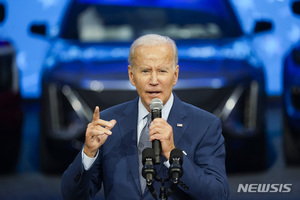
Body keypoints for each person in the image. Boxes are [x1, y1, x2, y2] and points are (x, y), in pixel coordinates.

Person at [61, 34, 229, 200]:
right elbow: (71, 195)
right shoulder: (109, 123)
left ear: (175, 75)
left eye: (162, 71)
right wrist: (88, 153)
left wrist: (172, 154)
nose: (154, 80)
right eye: (145, 71)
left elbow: (217, 195)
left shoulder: (204, 125)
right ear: (132, 75)